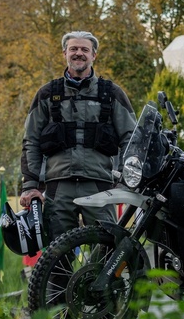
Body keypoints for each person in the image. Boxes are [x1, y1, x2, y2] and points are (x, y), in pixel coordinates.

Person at [20, 31, 136, 242]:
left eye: (85, 49)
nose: (78, 53)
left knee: (106, 251)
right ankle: (59, 277)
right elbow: (31, 141)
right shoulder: (47, 94)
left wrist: (126, 180)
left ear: (94, 56)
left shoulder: (112, 93)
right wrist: (30, 186)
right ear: (65, 53)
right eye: (73, 49)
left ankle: (98, 276)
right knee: (56, 256)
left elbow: (131, 137)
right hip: (58, 188)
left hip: (100, 186)